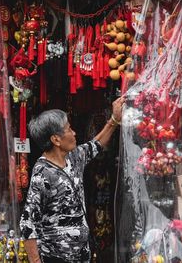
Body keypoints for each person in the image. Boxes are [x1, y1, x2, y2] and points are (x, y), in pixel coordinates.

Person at [20, 97, 125, 263]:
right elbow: (27, 223)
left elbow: (95, 145)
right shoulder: (42, 173)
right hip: (56, 258)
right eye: (69, 129)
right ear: (56, 140)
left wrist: (114, 120)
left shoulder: (73, 157)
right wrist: (35, 261)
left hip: (82, 255)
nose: (74, 133)